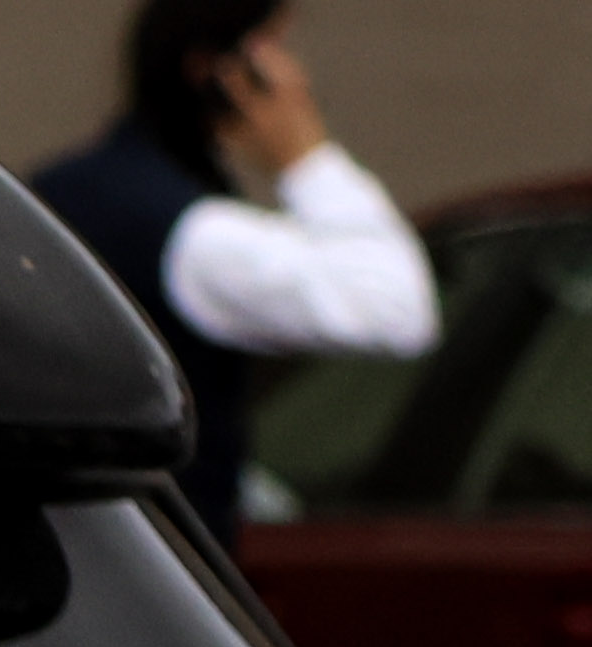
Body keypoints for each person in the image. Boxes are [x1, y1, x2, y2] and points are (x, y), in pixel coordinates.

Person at [26, 0, 443, 523]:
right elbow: (396, 312)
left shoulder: (69, 187)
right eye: (275, 51)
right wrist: (306, 156)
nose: (297, 76)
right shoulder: (195, 235)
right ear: (219, 71)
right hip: (158, 563)